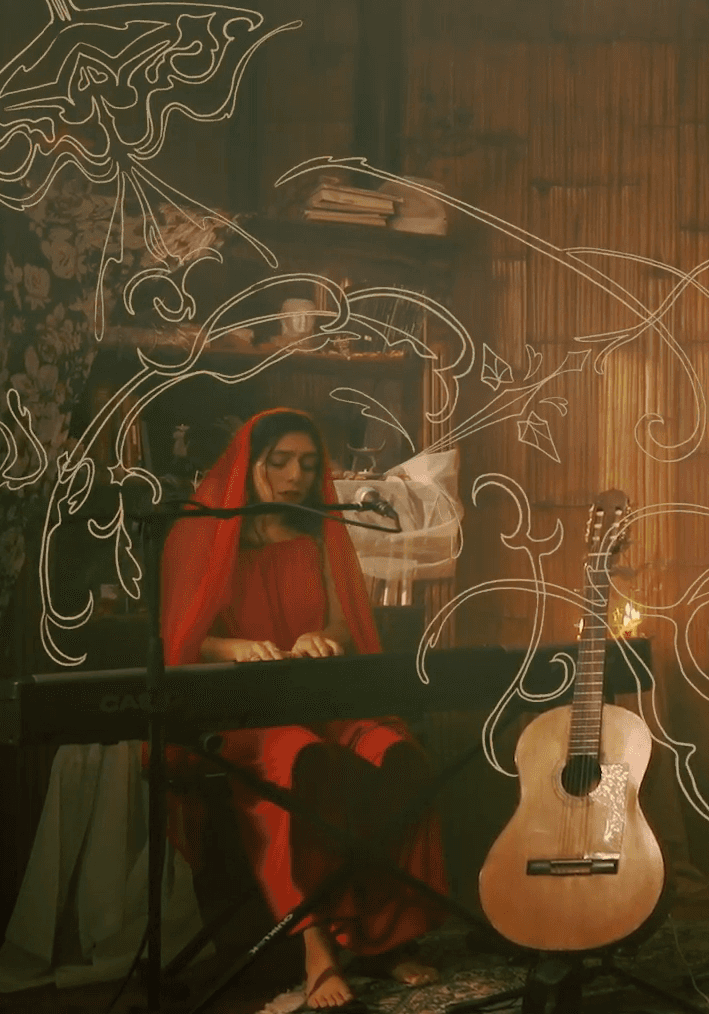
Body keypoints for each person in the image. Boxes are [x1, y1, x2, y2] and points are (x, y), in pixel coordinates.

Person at [160, 409, 445, 1009]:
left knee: (403, 761)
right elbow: (185, 638)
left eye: (308, 464)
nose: (296, 476)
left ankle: (389, 939)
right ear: (250, 463)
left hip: (322, 699)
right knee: (308, 769)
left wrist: (327, 640)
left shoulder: (320, 534)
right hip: (249, 711)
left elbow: (343, 626)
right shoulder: (202, 532)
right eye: (281, 462)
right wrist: (234, 647)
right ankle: (319, 953)